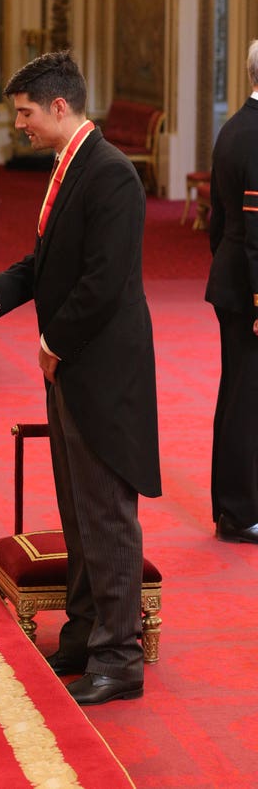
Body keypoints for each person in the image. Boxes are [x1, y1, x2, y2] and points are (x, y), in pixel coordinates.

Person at [0, 51, 161, 705]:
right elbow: (46, 263)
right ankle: (85, 632)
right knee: (78, 511)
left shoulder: (112, 175)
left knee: (106, 516)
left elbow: (105, 281)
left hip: (102, 370)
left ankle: (119, 657)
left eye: (26, 112)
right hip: (75, 367)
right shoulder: (72, 167)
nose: (21, 124)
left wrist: (52, 342)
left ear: (60, 106)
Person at [205, 39, 258, 545]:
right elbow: (257, 228)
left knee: (236, 395)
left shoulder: (233, 126)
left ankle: (231, 504)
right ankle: (240, 514)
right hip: (250, 288)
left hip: (231, 278)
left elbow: (217, 223)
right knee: (247, 400)